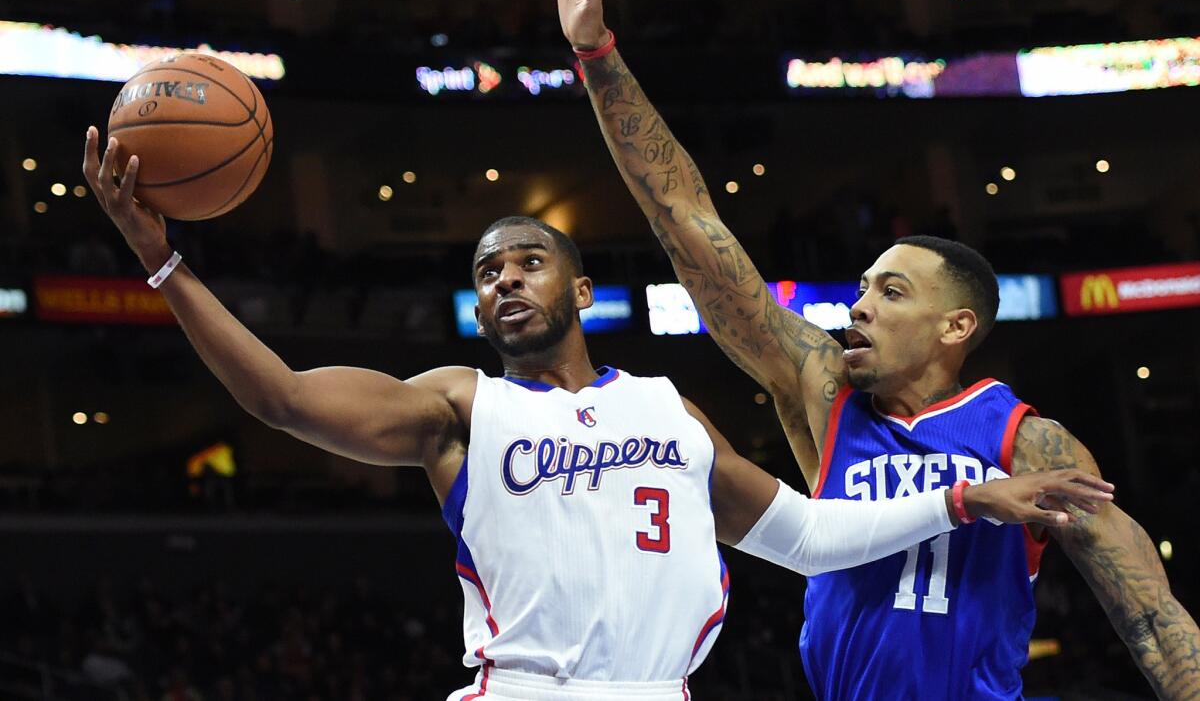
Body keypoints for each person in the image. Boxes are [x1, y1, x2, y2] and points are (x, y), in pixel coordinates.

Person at [82, 129, 1111, 701]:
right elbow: (281, 396)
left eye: (528, 259)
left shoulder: (667, 410)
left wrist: (968, 494)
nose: (505, 279)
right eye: (487, 270)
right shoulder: (457, 405)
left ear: (582, 291)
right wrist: (163, 262)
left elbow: (806, 536)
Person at [557, 0, 1200, 700]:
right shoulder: (825, 392)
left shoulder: (1030, 444)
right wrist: (598, 55)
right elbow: (685, 220)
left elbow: (1151, 619)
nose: (858, 306)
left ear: (955, 325)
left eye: (890, 292)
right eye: (861, 287)